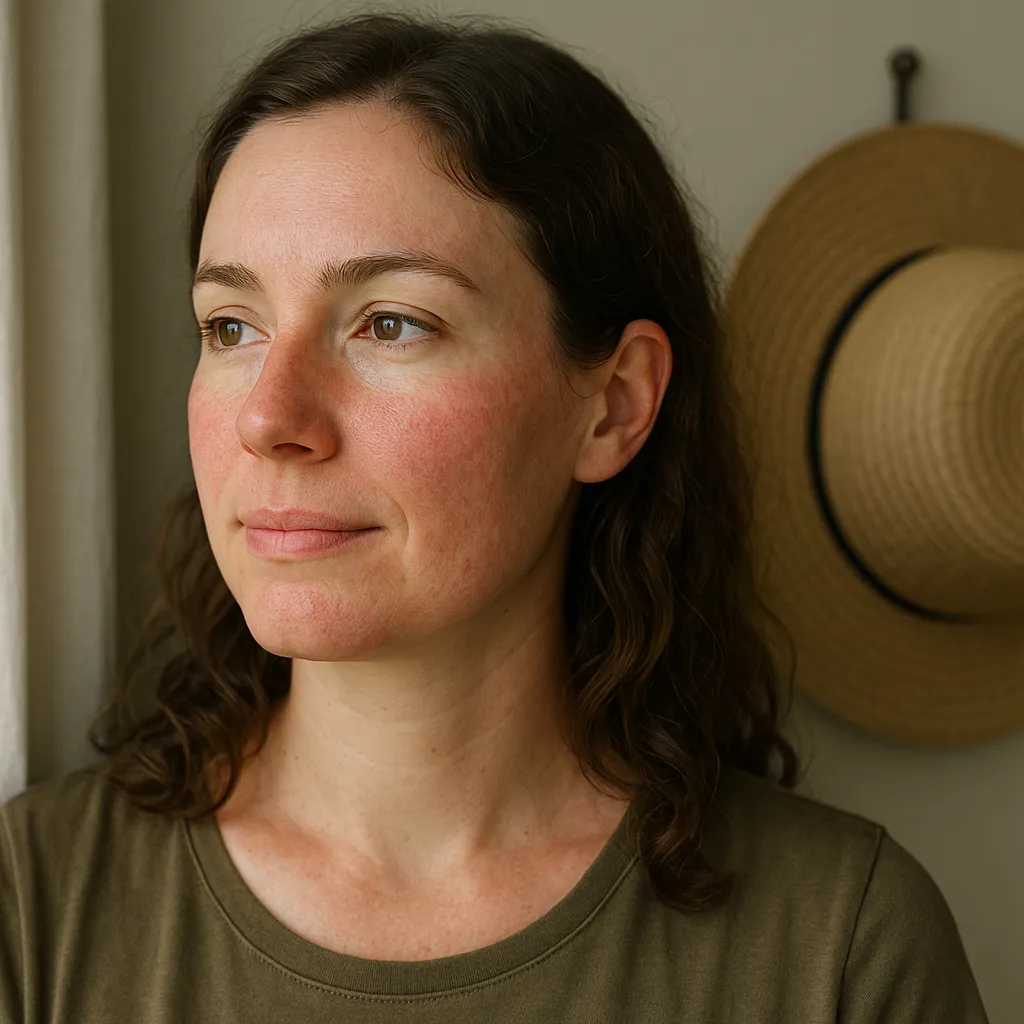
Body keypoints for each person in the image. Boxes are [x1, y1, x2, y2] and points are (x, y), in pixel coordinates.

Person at [0, 10, 989, 1022]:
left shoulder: (840, 946)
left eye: (391, 322)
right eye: (231, 325)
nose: (268, 416)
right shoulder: (32, 912)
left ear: (613, 405)